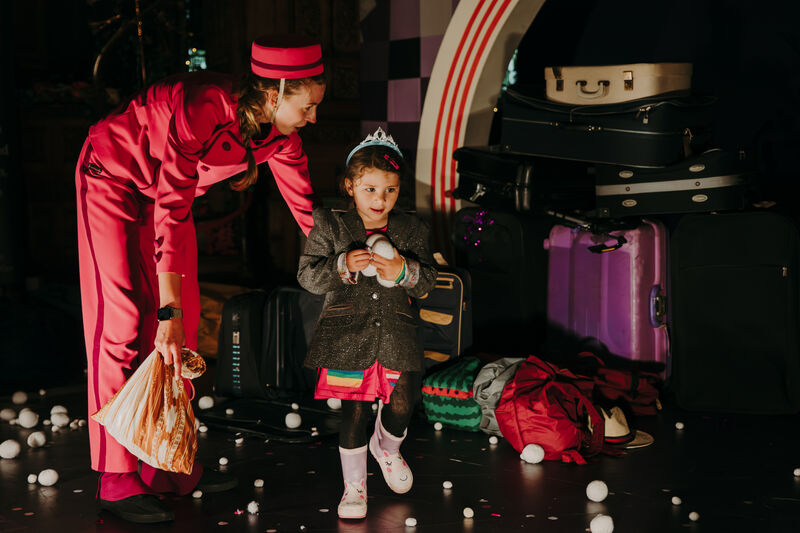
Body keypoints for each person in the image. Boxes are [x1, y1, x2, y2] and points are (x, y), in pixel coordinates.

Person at [75, 35, 325, 523]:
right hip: (114, 180)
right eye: (309, 105)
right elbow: (171, 204)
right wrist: (166, 311)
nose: (314, 117)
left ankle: (167, 463)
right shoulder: (203, 107)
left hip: (168, 204)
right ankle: (116, 476)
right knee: (124, 323)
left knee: (180, 339)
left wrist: (351, 264)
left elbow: (309, 216)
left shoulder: (284, 138)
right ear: (275, 93)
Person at [297, 128, 437, 519]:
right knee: (355, 413)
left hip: (396, 332)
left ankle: (387, 450)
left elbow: (427, 281)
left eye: (389, 190)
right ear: (350, 186)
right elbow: (307, 276)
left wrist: (403, 269)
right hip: (347, 335)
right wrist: (342, 266)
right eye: (370, 189)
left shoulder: (412, 230)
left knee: (403, 403)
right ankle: (354, 487)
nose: (380, 200)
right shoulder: (331, 224)